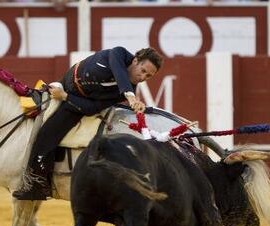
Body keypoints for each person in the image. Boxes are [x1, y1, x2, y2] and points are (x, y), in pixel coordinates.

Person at [13, 46, 163, 200]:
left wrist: (64, 97)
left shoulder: (126, 90)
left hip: (75, 100)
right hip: (66, 82)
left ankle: (38, 187)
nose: (143, 77)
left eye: (148, 76)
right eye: (143, 71)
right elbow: (119, 72)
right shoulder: (118, 54)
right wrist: (131, 96)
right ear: (135, 60)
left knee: (47, 135)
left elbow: (92, 108)